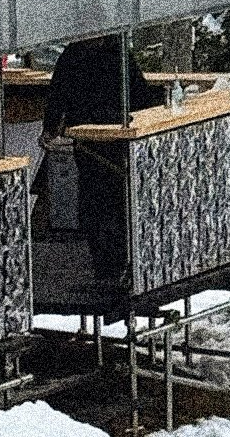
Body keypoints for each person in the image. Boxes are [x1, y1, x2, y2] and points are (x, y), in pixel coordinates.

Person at [41, 33, 154, 287]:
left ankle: (110, 267)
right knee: (104, 202)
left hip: (100, 136)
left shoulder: (87, 53)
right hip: (100, 136)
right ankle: (109, 268)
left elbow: (58, 95)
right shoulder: (112, 52)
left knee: (103, 202)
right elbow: (142, 96)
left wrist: (51, 127)